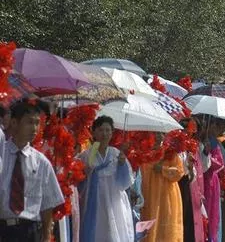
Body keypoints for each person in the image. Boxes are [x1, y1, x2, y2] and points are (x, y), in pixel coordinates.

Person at [0, 99, 65, 242]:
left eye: (37, 123)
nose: (34, 128)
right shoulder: (1, 154)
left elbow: (47, 205)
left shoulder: (41, 162)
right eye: (29, 122)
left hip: (30, 230)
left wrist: (47, 237)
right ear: (14, 123)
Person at [77, 116, 134, 242]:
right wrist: (86, 171)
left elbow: (125, 183)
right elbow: (79, 181)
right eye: (101, 130)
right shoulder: (86, 155)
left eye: (108, 130)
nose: (105, 134)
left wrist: (122, 165)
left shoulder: (116, 154)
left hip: (114, 200)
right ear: (94, 132)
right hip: (93, 200)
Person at [141, 132, 184, 242]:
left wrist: (164, 170)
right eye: (156, 133)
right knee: (148, 225)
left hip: (167, 197)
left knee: (165, 225)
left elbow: (179, 172)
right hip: (148, 194)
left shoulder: (170, 153)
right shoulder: (143, 151)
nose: (158, 136)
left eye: (161, 134)